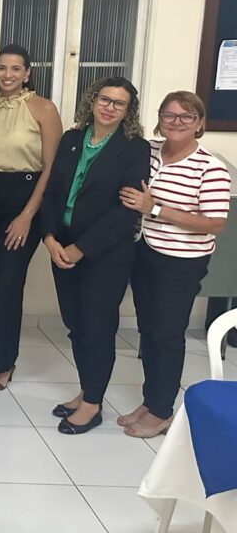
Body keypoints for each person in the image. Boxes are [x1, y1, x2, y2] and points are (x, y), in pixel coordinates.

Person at [118, 91, 231, 438]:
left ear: (199, 123)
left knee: (166, 334)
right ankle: (150, 401)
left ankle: (161, 411)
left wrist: (154, 208)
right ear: (159, 119)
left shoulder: (210, 167)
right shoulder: (149, 152)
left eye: (186, 116)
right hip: (144, 251)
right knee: (148, 329)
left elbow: (214, 223)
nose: (176, 122)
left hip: (181, 261)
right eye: (169, 115)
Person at [41, 77, 150, 434]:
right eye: (104, 99)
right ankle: (87, 390)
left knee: (97, 328)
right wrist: (49, 237)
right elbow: (52, 192)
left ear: (128, 111)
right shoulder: (72, 139)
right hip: (62, 246)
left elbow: (127, 210)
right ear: (92, 100)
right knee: (76, 324)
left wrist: (80, 249)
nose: (109, 107)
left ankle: (93, 404)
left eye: (119, 103)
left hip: (105, 254)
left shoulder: (134, 148)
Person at [0, 45, 61, 392]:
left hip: (25, 200)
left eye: (15, 69)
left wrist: (27, 215)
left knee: (8, 282)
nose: (7, 75)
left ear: (27, 73)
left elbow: (51, 169)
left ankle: (4, 363)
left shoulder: (43, 109)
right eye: (1, 68)